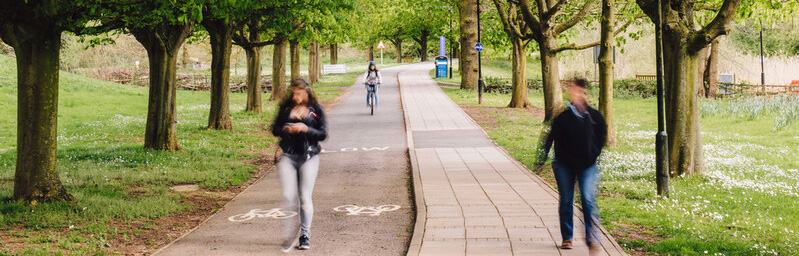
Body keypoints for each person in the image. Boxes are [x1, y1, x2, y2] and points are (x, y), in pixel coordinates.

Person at [538, 78, 607, 252]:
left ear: (585, 93)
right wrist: (541, 159)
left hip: (587, 164)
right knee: (566, 200)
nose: (576, 94)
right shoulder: (563, 117)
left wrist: (594, 153)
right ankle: (567, 237)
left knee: (588, 199)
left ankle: (592, 238)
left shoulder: (594, 116)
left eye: (579, 91)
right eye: (573, 91)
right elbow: (550, 138)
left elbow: (602, 136)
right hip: (564, 165)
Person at [271, 78, 327, 252]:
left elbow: (323, 134)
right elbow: (275, 129)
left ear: (307, 92)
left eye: (300, 94)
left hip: (309, 156)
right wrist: (287, 128)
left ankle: (304, 234)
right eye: (294, 94)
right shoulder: (286, 107)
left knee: (304, 195)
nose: (296, 98)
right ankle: (289, 234)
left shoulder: (316, 110)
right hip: (288, 155)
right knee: (288, 196)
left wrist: (305, 128)